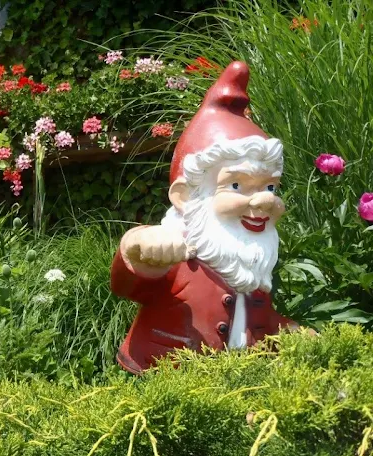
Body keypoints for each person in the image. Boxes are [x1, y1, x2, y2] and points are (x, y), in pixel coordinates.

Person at [111, 61, 300, 374]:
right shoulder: (176, 254)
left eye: (270, 187)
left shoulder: (250, 267)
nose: (266, 200)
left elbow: (261, 322)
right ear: (186, 196)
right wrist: (137, 245)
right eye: (236, 185)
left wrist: (293, 333)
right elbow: (126, 284)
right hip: (168, 380)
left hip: (242, 382)